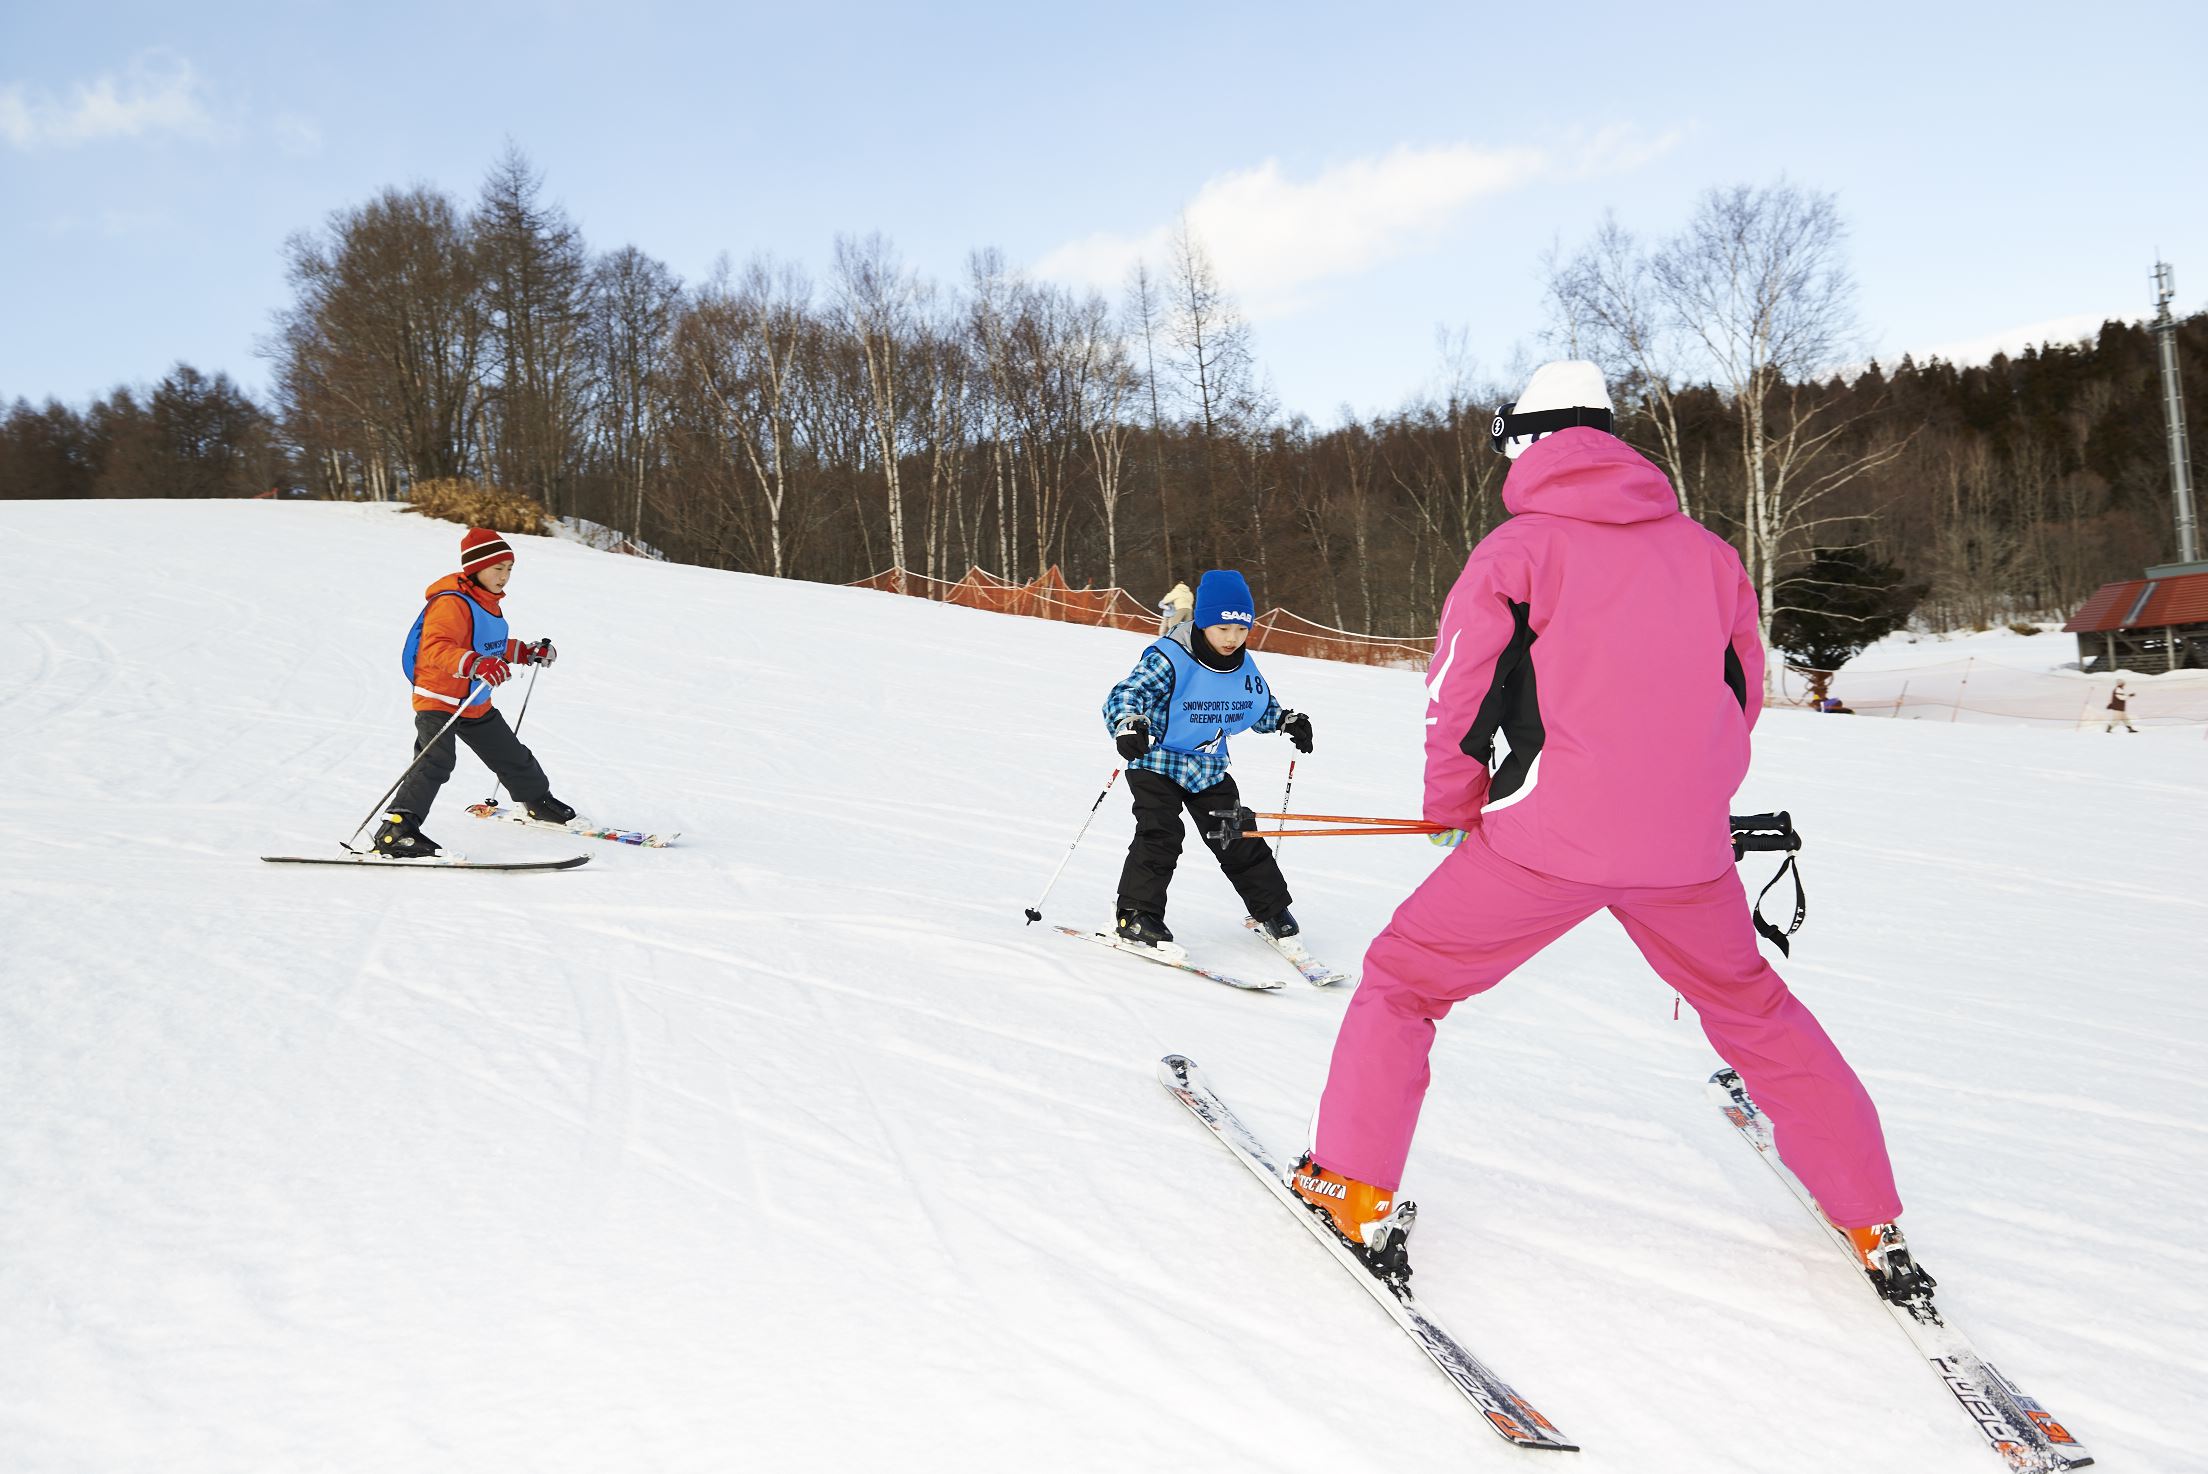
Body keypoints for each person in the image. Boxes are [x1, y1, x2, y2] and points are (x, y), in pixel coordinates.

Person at [1290, 362, 1924, 1301]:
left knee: (1403, 982)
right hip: (1686, 852)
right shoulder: (1708, 554)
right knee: (1754, 1010)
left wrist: (1452, 804)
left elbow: (1456, 690)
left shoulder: (1518, 550)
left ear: (1528, 444)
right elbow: (1740, 694)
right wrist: (1685, 790)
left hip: (1544, 844)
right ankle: (1872, 1215)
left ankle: (1351, 1187)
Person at [1103, 568, 1314, 946]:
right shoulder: (1170, 656)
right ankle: (1137, 916)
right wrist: (1128, 723)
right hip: (1157, 761)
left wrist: (1286, 720)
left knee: (1236, 832)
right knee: (1160, 833)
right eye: (1222, 629)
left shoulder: (1240, 664)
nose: (1233, 639)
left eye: (1242, 629)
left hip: (1208, 766)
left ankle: (1271, 910)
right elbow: (1126, 693)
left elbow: (1255, 704)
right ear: (1202, 623)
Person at [377, 527, 571, 857]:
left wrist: (524, 652)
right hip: (439, 698)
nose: (505, 576)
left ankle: (537, 801)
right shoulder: (451, 602)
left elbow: (489, 644)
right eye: (498, 568)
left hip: (474, 699)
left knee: (511, 754)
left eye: (510, 569)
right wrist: (474, 664)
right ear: (475, 568)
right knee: (434, 762)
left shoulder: (488, 603)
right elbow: (435, 648)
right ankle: (396, 830)